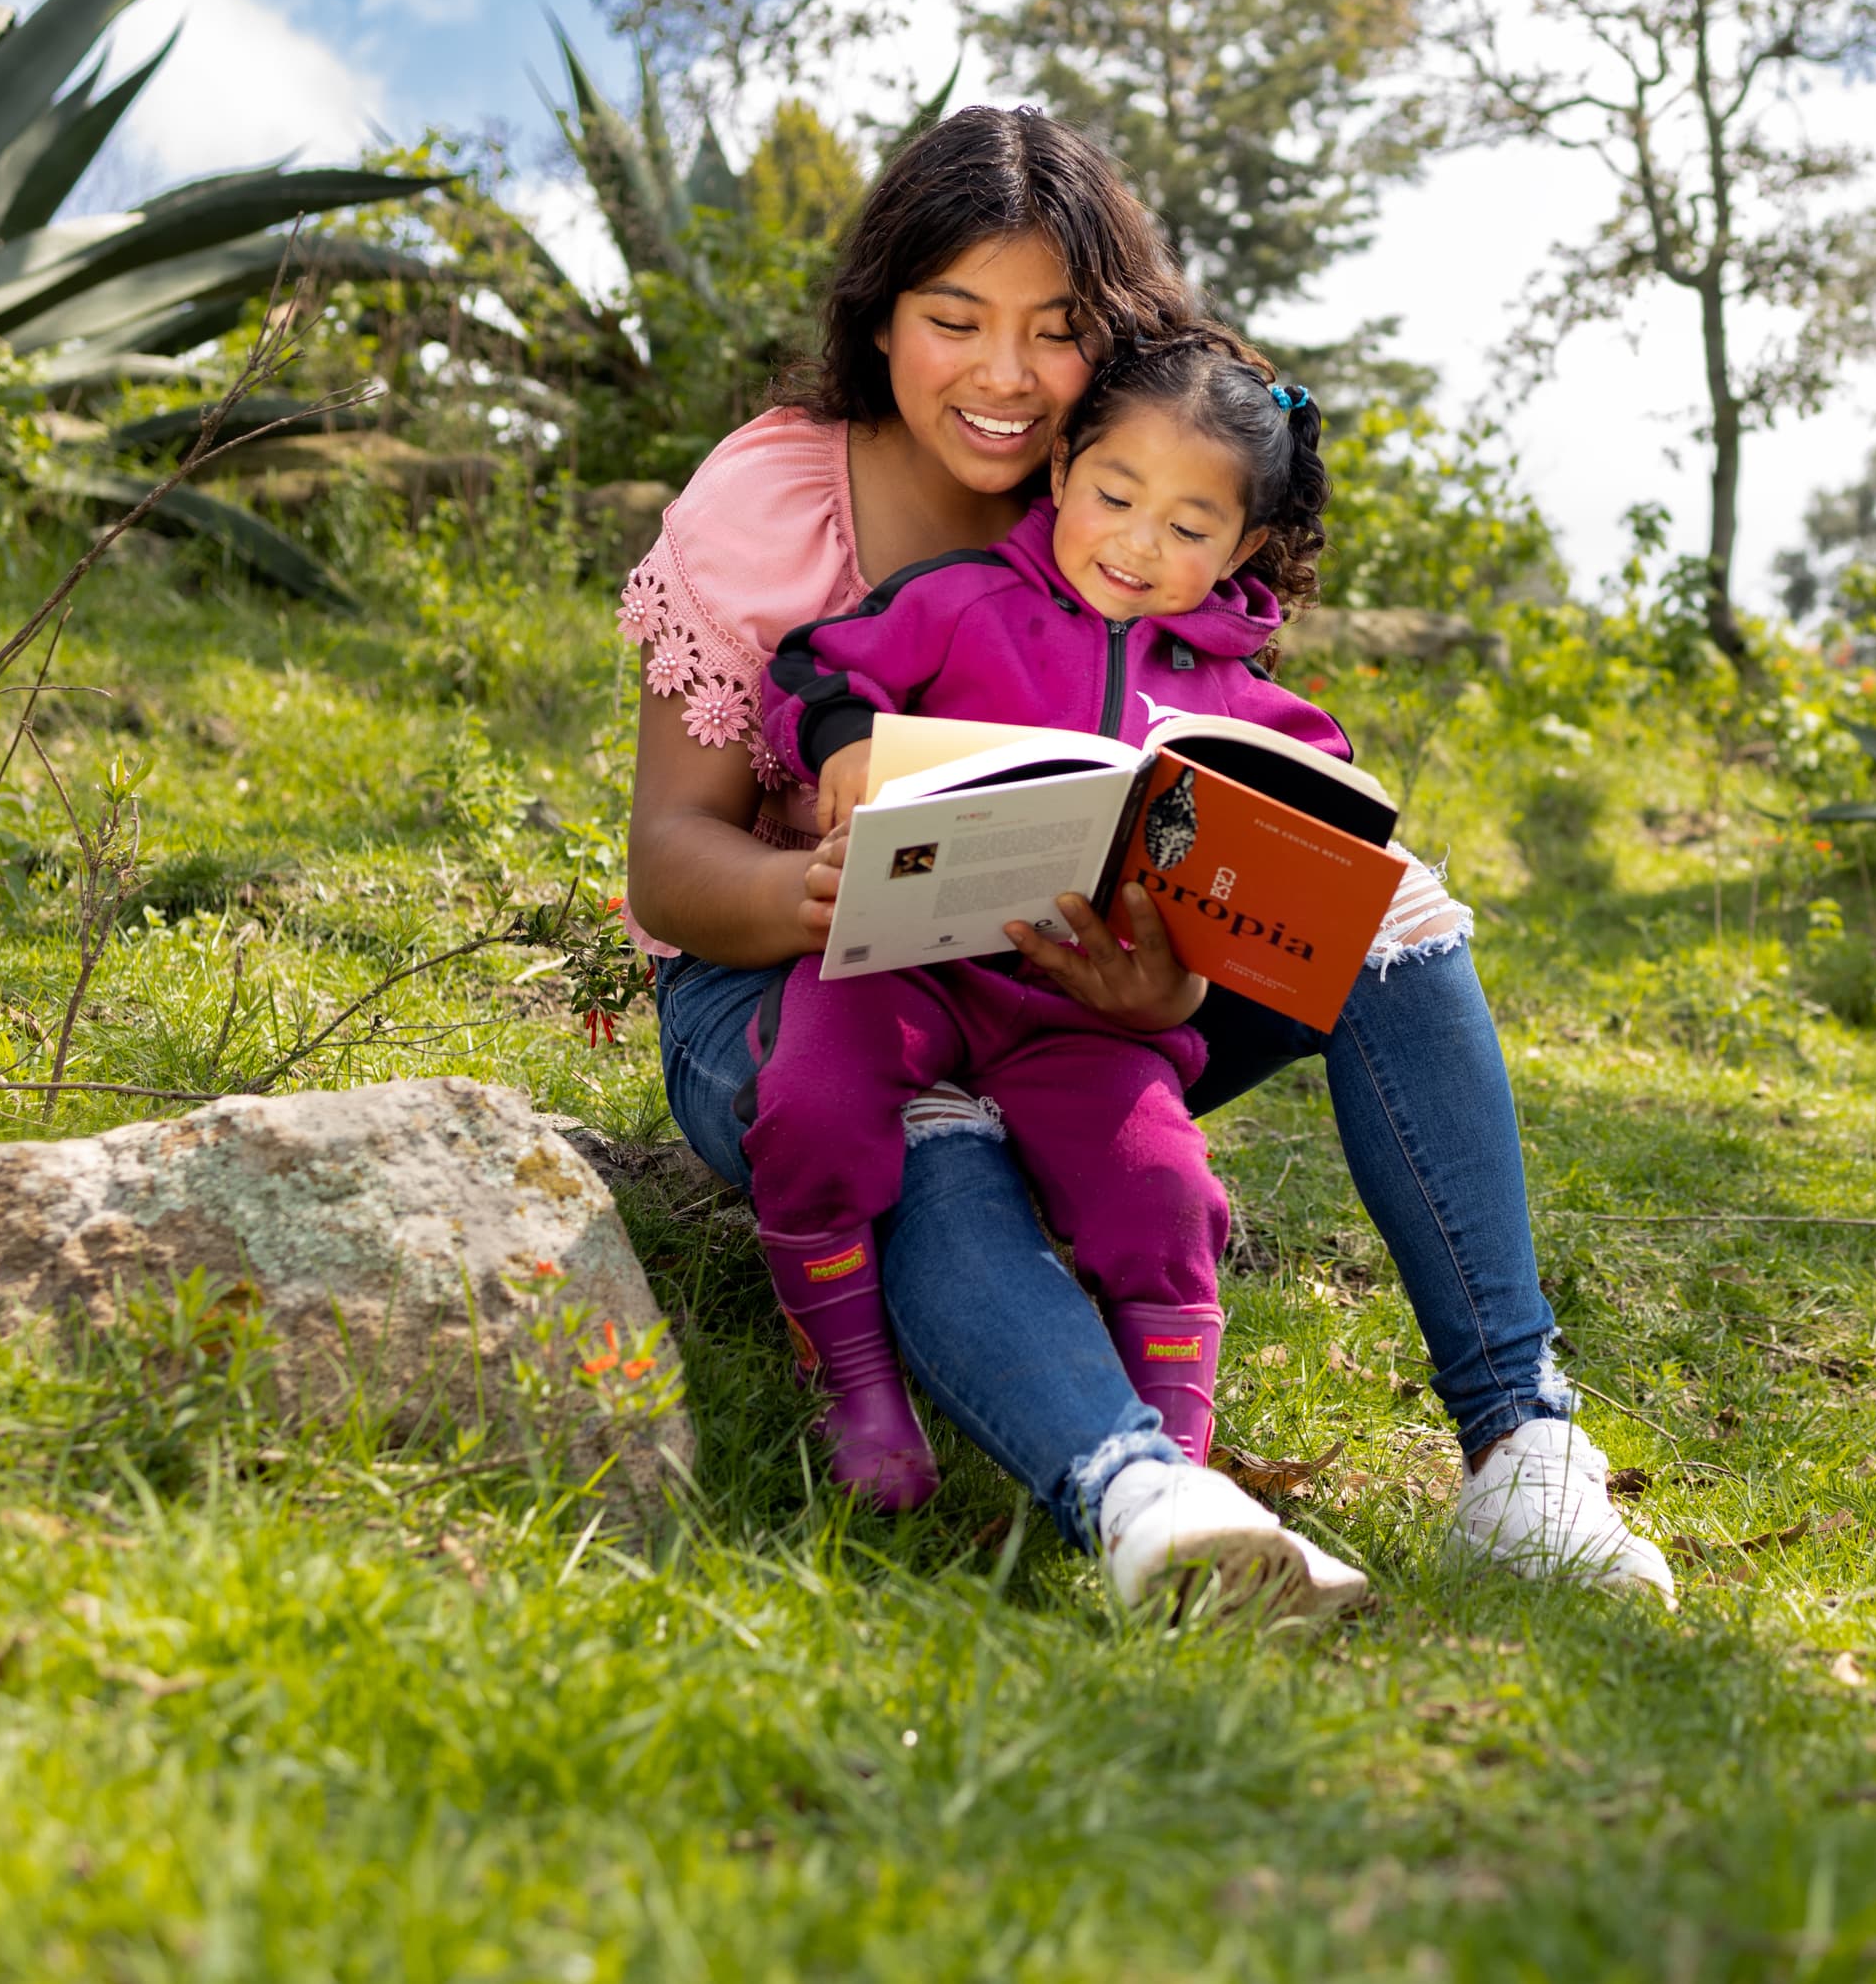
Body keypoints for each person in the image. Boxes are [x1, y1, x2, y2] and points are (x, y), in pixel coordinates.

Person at [623, 105, 1673, 1617]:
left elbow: (1204, 806)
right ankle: (1138, 1490)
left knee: (1391, 906)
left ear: (1110, 347)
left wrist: (1166, 972)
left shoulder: (1148, 503)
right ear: (880, 315)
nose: (1000, 375)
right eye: (952, 318)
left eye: (1052, 333)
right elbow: (669, 861)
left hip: (1068, 992)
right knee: (930, 1120)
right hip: (803, 982)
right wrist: (823, 892)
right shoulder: (773, 498)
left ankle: (1521, 1445)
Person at [743, 328, 1346, 1507]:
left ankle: (1177, 1469)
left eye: (1188, 528)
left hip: (1093, 1017)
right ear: (1062, 468)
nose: (1136, 541)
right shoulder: (959, 600)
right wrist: (848, 743)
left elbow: (1292, 856)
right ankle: (858, 1390)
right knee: (810, 1105)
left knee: (1167, 1195)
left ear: (1246, 547)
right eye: (1116, 493)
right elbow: (814, 670)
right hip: (902, 963)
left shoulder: (1253, 705)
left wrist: (1199, 973)